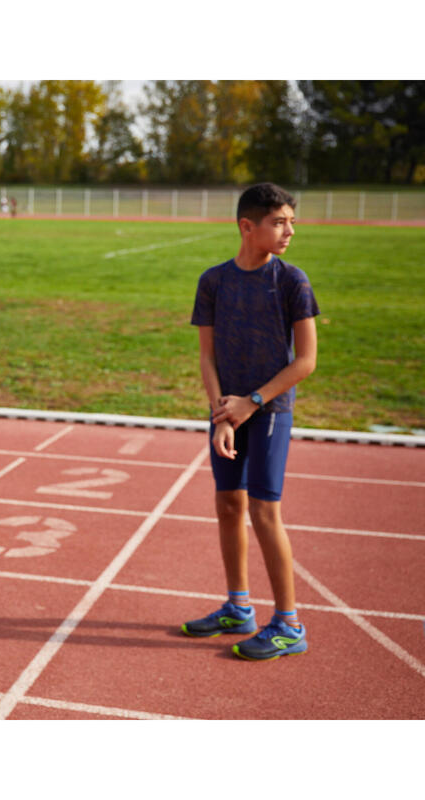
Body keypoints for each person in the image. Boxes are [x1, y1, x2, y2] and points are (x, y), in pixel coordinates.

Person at [183, 182, 319, 661]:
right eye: (279, 222)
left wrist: (251, 403)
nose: (289, 231)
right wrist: (222, 412)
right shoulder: (214, 281)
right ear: (247, 226)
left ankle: (288, 624)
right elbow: (207, 356)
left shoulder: (292, 282)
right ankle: (238, 607)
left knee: (264, 512)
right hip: (227, 412)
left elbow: (305, 362)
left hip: (270, 412)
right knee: (227, 505)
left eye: (291, 222)